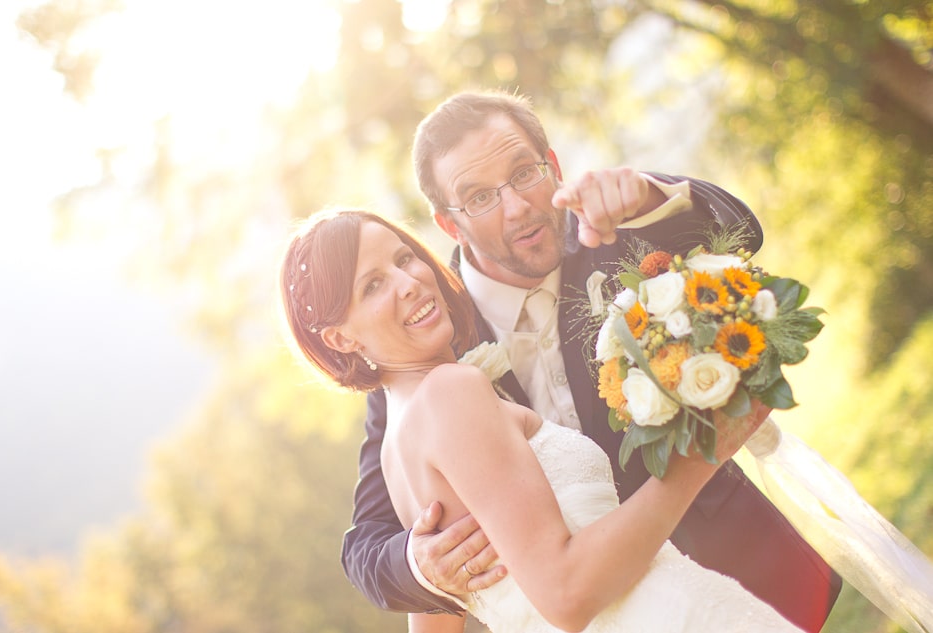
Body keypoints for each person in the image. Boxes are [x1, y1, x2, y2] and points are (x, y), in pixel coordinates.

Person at [341, 90, 842, 632]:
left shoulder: (620, 233)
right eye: (480, 198)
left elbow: (743, 234)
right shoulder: (421, 338)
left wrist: (652, 195)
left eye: (525, 173)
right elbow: (366, 545)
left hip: (738, 570)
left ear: (552, 166)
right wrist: (422, 565)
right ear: (449, 225)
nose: (516, 206)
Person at [280, 208, 807, 632]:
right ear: (341, 339)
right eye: (373, 285)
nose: (410, 282)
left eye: (404, 258)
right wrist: (702, 456)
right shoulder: (450, 393)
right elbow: (567, 595)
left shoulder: (401, 444)